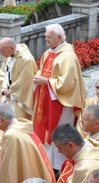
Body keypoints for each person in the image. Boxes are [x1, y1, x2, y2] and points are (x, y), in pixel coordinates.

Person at [33, 24, 86, 170]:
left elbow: (67, 83)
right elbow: (43, 70)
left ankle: (58, 165)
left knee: (58, 131)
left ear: (60, 38)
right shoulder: (48, 53)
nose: (46, 39)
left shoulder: (68, 56)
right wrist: (39, 77)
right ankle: (46, 161)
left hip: (61, 103)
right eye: (46, 36)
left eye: (49, 37)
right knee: (44, 128)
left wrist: (46, 81)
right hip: (46, 99)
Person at [0, 38, 38, 120]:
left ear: (12, 48)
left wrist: (12, 92)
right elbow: (3, 73)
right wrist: (4, 89)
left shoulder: (27, 59)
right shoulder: (8, 55)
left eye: (3, 51)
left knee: (18, 122)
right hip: (8, 95)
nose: (0, 53)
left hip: (19, 98)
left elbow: (25, 81)